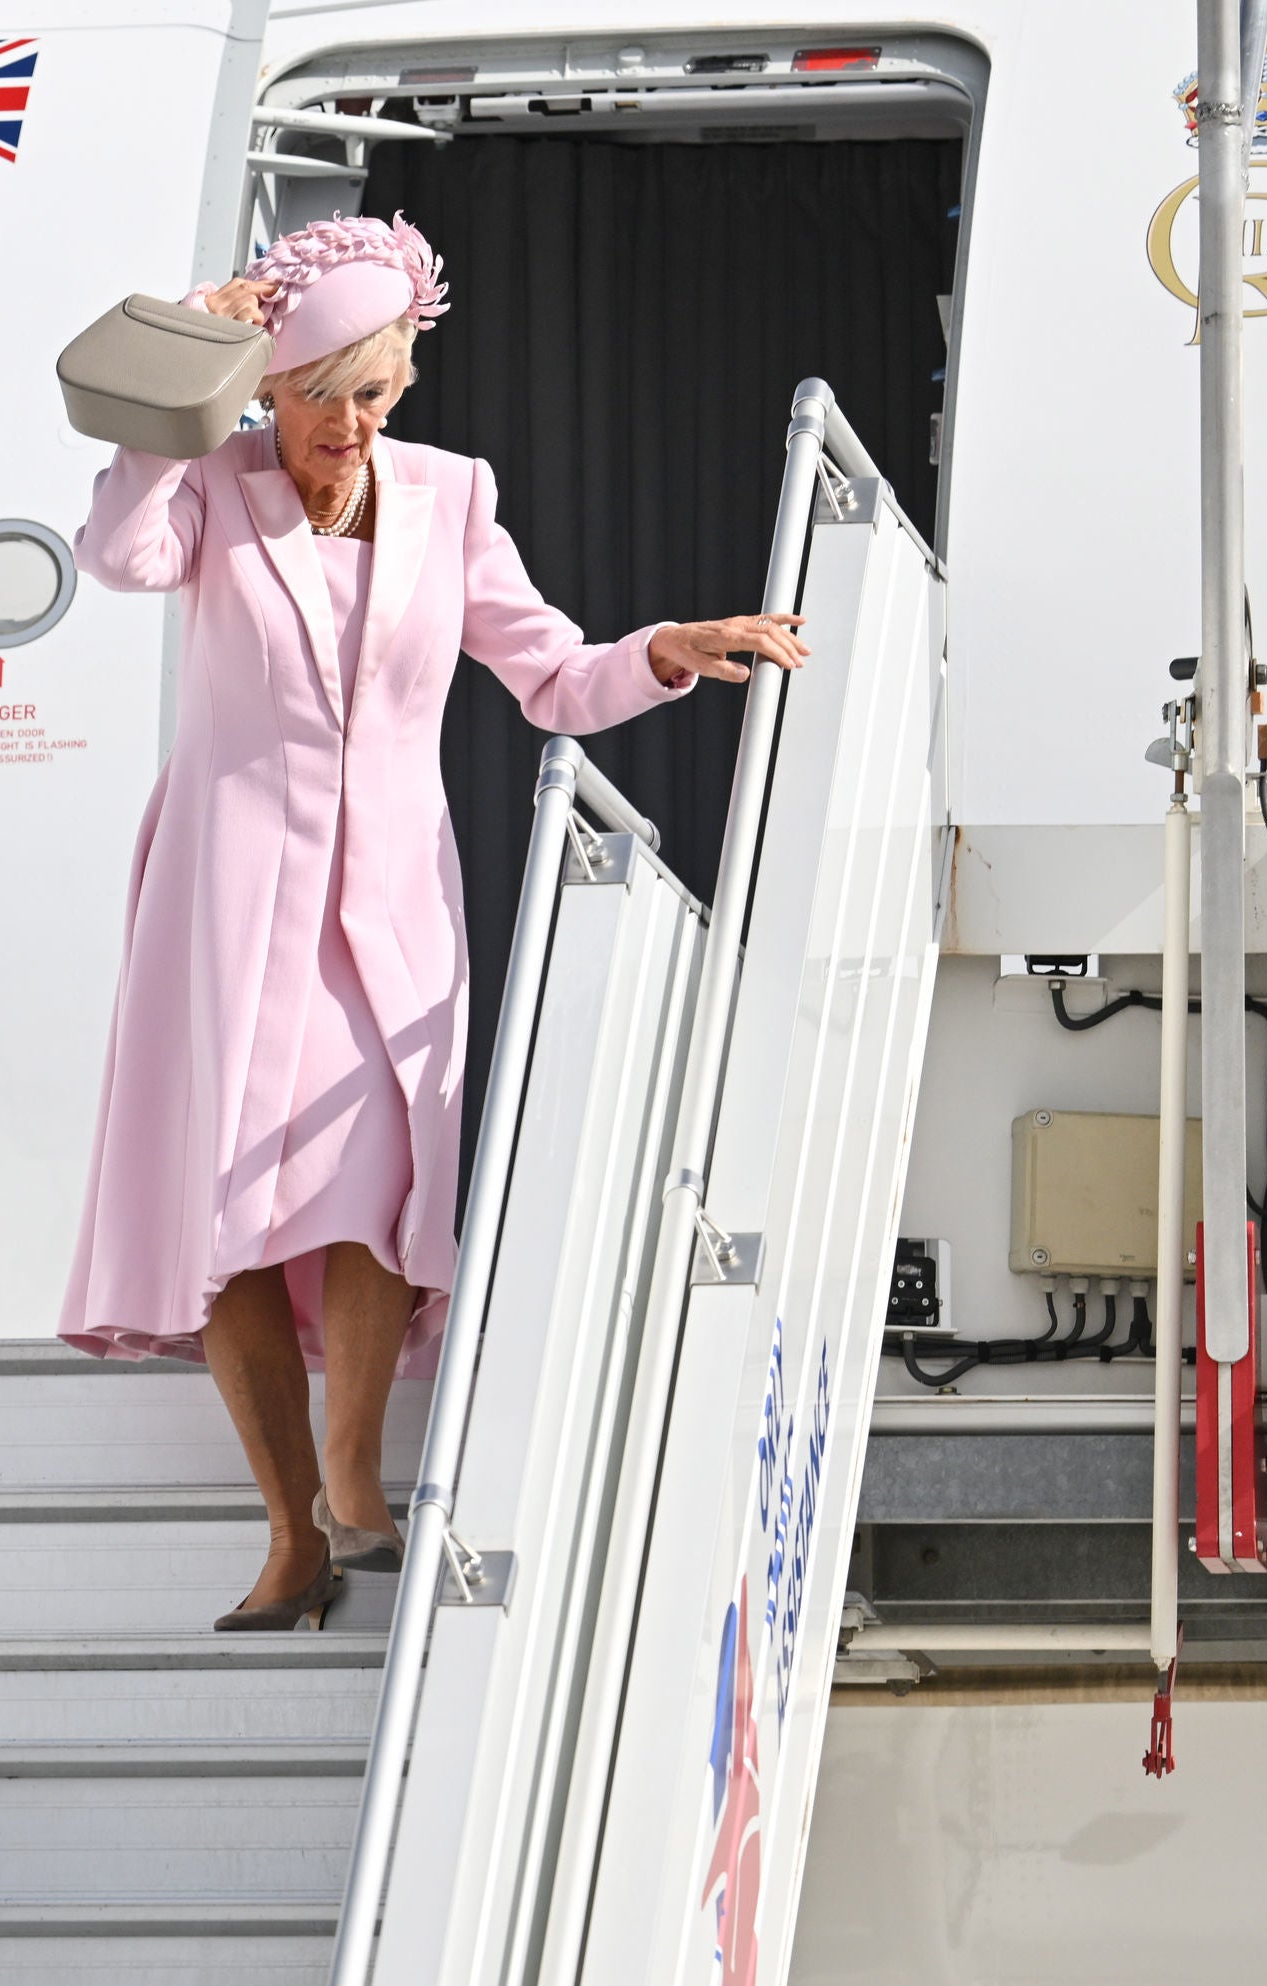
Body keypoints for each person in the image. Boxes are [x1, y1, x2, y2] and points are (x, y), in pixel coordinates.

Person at [58, 213, 805, 1630]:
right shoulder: (208, 489)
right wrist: (184, 366)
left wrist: (667, 652)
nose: (352, 422)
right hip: (226, 889)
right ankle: (290, 1531)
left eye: (379, 391)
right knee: (228, 1207)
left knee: (372, 1180)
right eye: (323, 391)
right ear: (266, 385)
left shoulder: (450, 493)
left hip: (393, 891)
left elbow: (554, 676)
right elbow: (117, 555)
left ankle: (355, 1482)